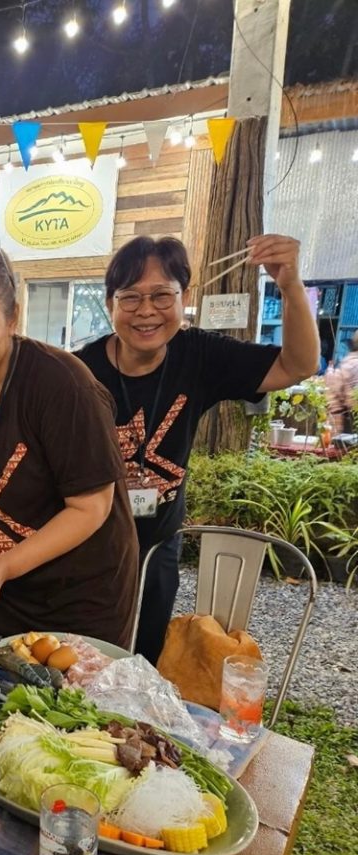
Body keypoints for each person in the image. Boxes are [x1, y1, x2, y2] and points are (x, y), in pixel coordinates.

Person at [77, 233, 320, 664]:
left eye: (161, 295)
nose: (146, 311)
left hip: (158, 545)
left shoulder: (201, 355)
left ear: (184, 297)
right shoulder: (80, 371)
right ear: (110, 302)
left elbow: (297, 365)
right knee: (82, 656)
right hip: (87, 545)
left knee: (143, 659)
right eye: (130, 297)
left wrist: (290, 285)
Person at [0, 237, 138, 647]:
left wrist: (7, 565)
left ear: (12, 317)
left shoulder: (62, 385)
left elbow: (91, 507)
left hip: (79, 601)